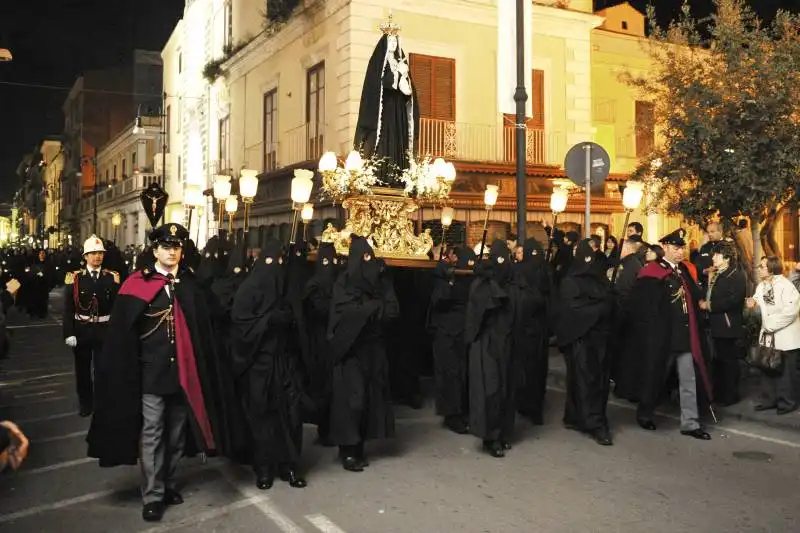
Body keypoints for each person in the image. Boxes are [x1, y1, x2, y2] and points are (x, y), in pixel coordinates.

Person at [87, 224, 238, 522]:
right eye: (166, 246)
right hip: (150, 374)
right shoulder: (135, 284)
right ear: (155, 250)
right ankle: (153, 495)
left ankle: (168, 483)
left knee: (177, 435)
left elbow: (208, 327)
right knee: (153, 434)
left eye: (177, 247)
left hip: (185, 375)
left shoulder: (191, 285)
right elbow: (122, 335)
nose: (172, 251)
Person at [232, 239, 307, 490]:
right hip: (259, 365)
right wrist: (268, 321)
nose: (275, 267)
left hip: (286, 364)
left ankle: (290, 465)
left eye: (280, 262)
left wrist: (291, 320)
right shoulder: (249, 288)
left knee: (292, 415)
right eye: (269, 262)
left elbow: (299, 322)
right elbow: (241, 324)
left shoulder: (287, 288)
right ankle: (264, 468)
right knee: (262, 416)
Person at [628, 228, 713, 441]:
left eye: (682, 247)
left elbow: (693, 295)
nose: (680, 251)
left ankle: (690, 423)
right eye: (676, 247)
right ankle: (645, 413)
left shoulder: (683, 270)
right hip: (662, 337)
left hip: (684, 335)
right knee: (655, 377)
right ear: (665, 247)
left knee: (689, 379)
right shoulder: (652, 272)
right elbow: (643, 307)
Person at [327, 236, 399, 471]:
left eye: (371, 256)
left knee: (369, 398)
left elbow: (391, 310)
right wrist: (370, 309)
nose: (368, 262)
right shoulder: (343, 283)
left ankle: (358, 447)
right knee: (352, 400)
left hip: (373, 349)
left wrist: (371, 310)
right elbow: (344, 315)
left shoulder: (380, 282)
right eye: (364, 257)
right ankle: (347, 448)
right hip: (351, 350)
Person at [465, 240, 533, 457]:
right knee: (490, 389)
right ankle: (490, 436)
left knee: (507, 388)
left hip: (509, 342)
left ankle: (503, 432)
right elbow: (479, 309)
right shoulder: (482, 283)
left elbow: (525, 303)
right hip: (487, 344)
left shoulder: (514, 281)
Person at [556, 239, 614, 446]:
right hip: (580, 338)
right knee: (584, 381)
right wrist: (599, 309)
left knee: (596, 381)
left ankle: (577, 417)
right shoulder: (570, 281)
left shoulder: (599, 280)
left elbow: (609, 300)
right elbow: (572, 309)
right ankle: (594, 423)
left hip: (600, 338)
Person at [354, 27, 420, 186]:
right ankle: (381, 175)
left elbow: (407, 91)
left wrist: (404, 75)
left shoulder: (401, 62)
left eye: (395, 41)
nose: (393, 44)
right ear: (385, 43)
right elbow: (378, 84)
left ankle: (399, 174)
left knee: (397, 139)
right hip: (383, 112)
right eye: (390, 41)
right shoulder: (378, 63)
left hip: (398, 112)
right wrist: (397, 75)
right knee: (384, 140)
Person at [62, 236, 119, 418]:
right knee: (83, 370)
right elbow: (68, 308)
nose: (97, 257)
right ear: (85, 256)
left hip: (104, 329)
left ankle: (102, 403)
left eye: (100, 253)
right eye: (93, 253)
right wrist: (69, 332)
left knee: (104, 370)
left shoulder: (112, 278)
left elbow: (117, 307)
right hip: (82, 330)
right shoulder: (75, 279)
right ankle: (86, 403)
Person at [748, 256, 800, 414]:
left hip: (786, 337)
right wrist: (753, 303)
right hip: (769, 337)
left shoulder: (786, 286)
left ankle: (786, 403)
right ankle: (769, 400)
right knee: (767, 369)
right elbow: (758, 301)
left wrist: (771, 324)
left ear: (771, 269)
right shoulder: (762, 285)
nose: (759, 269)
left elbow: (791, 311)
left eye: (762, 266)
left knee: (786, 373)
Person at [428, 247, 472, 434]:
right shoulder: (464, 278)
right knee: (453, 375)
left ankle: (454, 414)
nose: (451, 258)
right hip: (454, 333)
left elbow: (441, 299)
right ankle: (455, 413)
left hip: (451, 332)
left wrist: (443, 275)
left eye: (453, 255)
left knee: (453, 376)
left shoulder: (457, 280)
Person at [699, 241, 746, 406]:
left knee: (728, 361)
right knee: (718, 360)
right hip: (716, 323)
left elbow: (733, 300)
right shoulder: (718, 272)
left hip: (727, 324)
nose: (713, 257)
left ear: (726, 257)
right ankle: (719, 393)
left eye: (716, 254)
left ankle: (730, 395)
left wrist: (709, 306)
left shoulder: (736, 274)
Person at [694, 222, 723, 290]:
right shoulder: (704, 247)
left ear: (720, 232)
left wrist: (716, 270)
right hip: (706, 285)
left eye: (712, 231)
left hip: (722, 286)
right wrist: (704, 271)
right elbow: (697, 264)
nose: (710, 234)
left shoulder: (726, 246)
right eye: (708, 232)